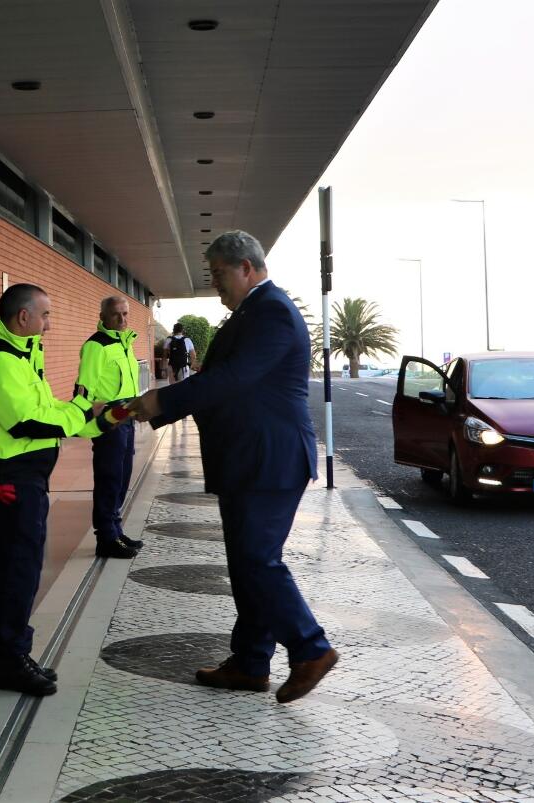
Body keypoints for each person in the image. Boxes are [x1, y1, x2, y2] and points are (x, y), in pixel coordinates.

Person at [131, 230, 338, 704]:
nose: (216, 285)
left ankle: (311, 648)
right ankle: (249, 662)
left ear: (246, 267)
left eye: (220, 274)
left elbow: (230, 379)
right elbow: (221, 380)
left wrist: (160, 400)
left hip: (269, 458)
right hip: (251, 457)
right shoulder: (252, 311)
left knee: (256, 561)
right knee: (248, 564)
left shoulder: (273, 313)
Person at [0, 284, 132, 697]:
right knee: (17, 568)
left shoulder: (24, 354)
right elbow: (26, 423)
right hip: (7, 477)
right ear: (23, 317)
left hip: (26, 475)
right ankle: (9, 660)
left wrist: (99, 421)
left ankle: (13, 652)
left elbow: (51, 411)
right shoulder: (0, 359)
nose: (49, 324)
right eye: (45, 315)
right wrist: (82, 409)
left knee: (20, 566)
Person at [75, 296, 141, 560]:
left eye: (125, 314)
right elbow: (84, 388)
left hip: (128, 416)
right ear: (103, 316)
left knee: (122, 476)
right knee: (109, 478)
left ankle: (115, 528)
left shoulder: (124, 343)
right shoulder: (96, 345)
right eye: (116, 315)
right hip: (109, 422)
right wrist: (88, 422)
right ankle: (106, 536)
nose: (122, 320)